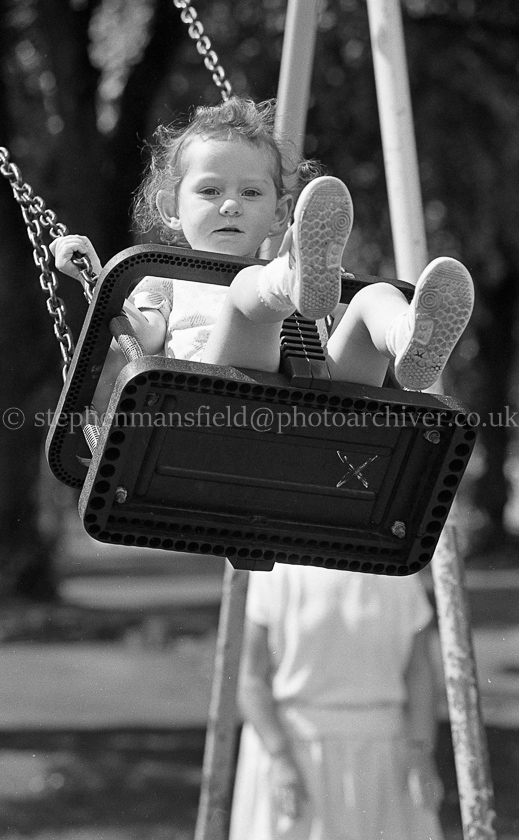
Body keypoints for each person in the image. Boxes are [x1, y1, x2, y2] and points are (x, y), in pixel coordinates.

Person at [51, 96, 474, 417]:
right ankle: (285, 284)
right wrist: (96, 278)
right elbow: (140, 338)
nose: (231, 206)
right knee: (246, 291)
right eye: (210, 191)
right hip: (212, 400)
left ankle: (407, 338)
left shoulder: (308, 271)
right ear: (171, 209)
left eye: (250, 193)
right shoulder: (165, 278)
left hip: (320, 406)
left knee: (372, 295)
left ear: (280, 214)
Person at [229, 563, 445, 840]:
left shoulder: (399, 571)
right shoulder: (277, 569)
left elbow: (420, 673)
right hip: (297, 750)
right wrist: (281, 757)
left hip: (382, 754)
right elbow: (251, 679)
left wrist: (420, 753)